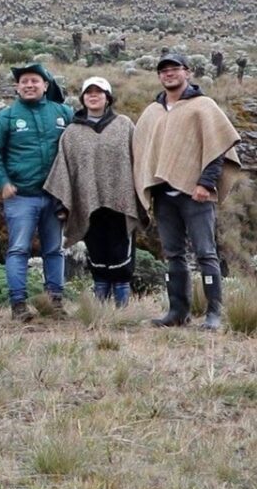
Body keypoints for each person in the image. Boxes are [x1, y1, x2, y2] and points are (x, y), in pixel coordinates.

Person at [133, 54, 241, 330]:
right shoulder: (152, 112)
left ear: (187, 72)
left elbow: (218, 147)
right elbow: (144, 152)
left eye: (174, 69)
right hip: (163, 195)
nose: (169, 74)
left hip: (196, 194)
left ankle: (214, 313)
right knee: (173, 254)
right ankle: (178, 311)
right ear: (159, 77)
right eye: (163, 71)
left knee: (206, 253)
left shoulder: (203, 106)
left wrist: (205, 183)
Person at [0, 63, 73, 322]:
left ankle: (55, 301)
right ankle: (18, 304)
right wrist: (2, 182)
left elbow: (74, 150)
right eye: (24, 81)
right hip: (21, 196)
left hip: (55, 195)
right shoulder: (6, 117)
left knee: (54, 249)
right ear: (17, 87)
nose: (30, 85)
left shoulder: (63, 113)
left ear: (46, 85)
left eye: (35, 80)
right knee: (18, 249)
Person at [45, 77, 142, 307]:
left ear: (108, 98)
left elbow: (139, 159)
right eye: (89, 92)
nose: (94, 96)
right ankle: (99, 307)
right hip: (87, 202)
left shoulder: (124, 125)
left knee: (121, 254)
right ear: (83, 98)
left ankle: (121, 309)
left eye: (99, 92)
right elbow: (63, 168)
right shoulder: (73, 132)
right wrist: (62, 205)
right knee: (96, 253)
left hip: (121, 201)